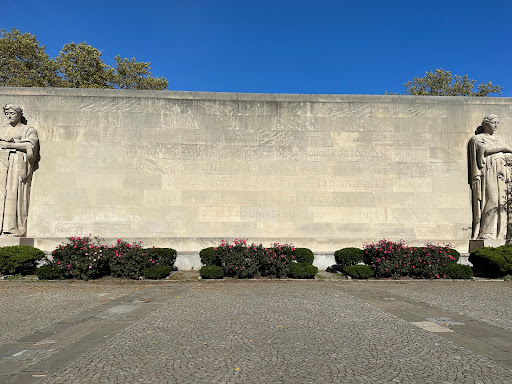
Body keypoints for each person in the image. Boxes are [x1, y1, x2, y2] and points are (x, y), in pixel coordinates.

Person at [468, 114, 512, 240]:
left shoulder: (501, 139)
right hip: (488, 171)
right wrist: (504, 149)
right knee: (491, 199)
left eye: (497, 123)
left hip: (504, 172)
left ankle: (503, 233)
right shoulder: (477, 138)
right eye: (493, 122)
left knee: (503, 201)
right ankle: (486, 232)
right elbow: (484, 150)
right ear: (485, 124)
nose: (496, 125)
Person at [0, 104, 39, 236]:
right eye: (7, 113)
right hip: (2, 164)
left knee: (14, 194)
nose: (9, 116)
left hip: (16, 164)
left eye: (12, 113)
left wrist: (11, 145)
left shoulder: (28, 129)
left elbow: (31, 146)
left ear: (19, 114)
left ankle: (12, 227)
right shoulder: (2, 129)